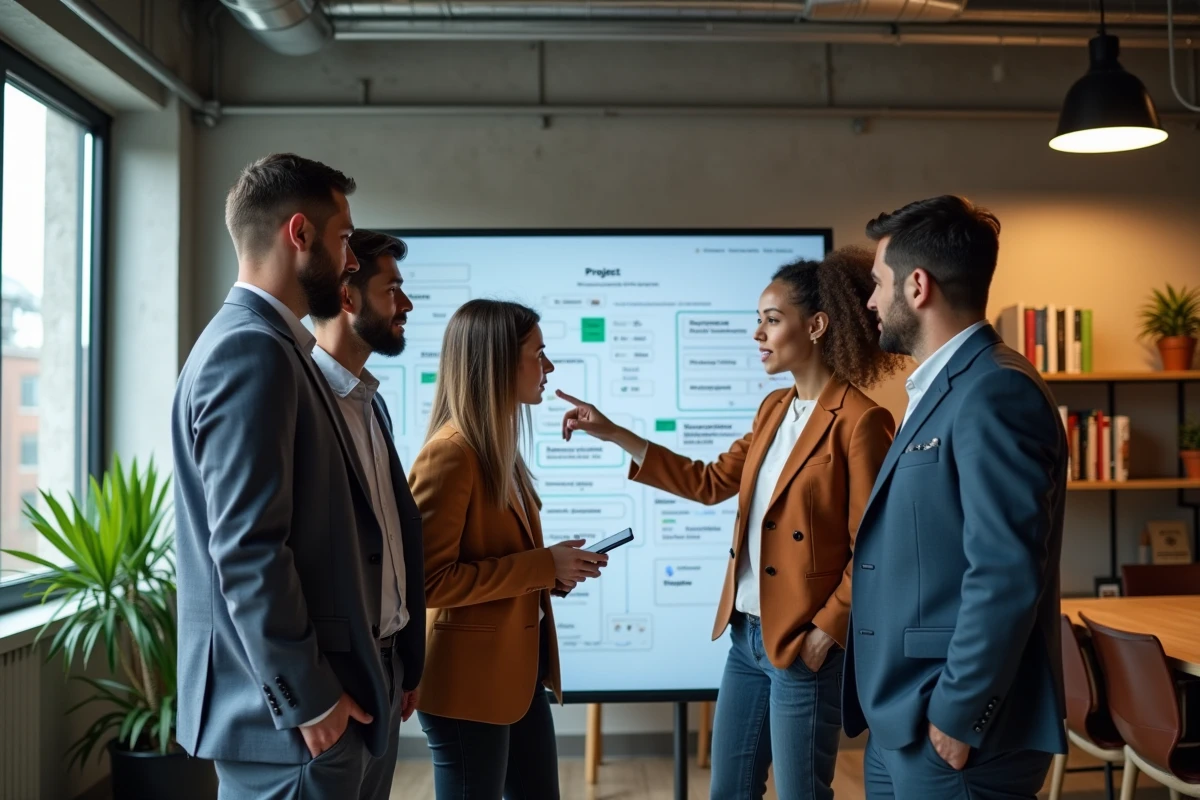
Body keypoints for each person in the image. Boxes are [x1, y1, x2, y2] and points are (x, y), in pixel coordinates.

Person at [557, 248, 902, 800]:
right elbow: (709, 480)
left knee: (801, 794)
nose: (757, 333)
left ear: (815, 326)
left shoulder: (861, 422)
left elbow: (876, 548)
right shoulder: (773, 409)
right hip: (745, 639)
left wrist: (825, 632)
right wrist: (615, 431)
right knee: (729, 791)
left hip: (801, 645)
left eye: (771, 319)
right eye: (757, 320)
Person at [172, 153, 394, 799]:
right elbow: (247, 548)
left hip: (297, 719)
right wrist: (310, 700)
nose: (352, 261)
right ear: (300, 234)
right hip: (288, 724)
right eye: (345, 239)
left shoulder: (270, 343)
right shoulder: (251, 349)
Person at [843, 195, 1067, 800]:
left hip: (958, 732)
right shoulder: (945, 386)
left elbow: (1006, 570)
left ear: (917, 286)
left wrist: (958, 715)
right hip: (904, 720)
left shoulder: (996, 390)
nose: (869, 302)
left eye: (876, 284)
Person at [407, 299, 609, 799]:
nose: (549, 368)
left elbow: (494, 560)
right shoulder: (449, 455)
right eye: (538, 354)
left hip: (513, 678)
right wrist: (542, 565)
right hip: (467, 687)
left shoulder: (495, 447)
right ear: (497, 362)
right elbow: (429, 583)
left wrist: (555, 573)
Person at [309, 228, 427, 799]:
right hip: (331, 684)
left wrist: (405, 662)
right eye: (394, 289)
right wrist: (314, 695)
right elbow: (263, 554)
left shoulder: (370, 401)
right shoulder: (301, 397)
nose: (406, 304)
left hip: (385, 671)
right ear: (349, 298)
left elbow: (391, 535)